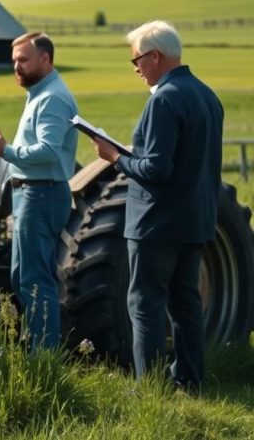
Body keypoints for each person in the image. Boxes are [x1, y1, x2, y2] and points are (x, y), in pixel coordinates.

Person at [90, 20, 223, 391]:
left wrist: (114, 157)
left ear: (155, 56)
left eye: (136, 61)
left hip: (156, 224)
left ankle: (149, 389)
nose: (135, 69)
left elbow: (155, 169)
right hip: (194, 221)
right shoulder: (207, 95)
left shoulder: (163, 99)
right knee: (186, 305)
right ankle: (190, 382)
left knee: (145, 306)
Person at [0, 32, 78, 350]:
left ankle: (44, 358)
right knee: (24, 277)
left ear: (45, 59)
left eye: (23, 60)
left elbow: (48, 151)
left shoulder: (52, 98)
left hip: (41, 194)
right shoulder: (39, 94)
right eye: (14, 62)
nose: (16, 67)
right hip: (30, 193)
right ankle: (36, 347)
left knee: (36, 280)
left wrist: (5, 151)